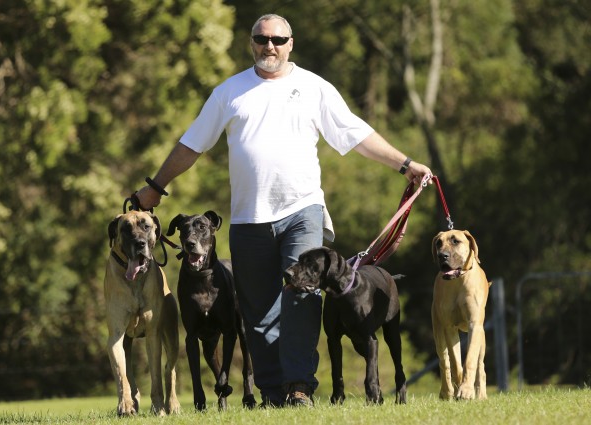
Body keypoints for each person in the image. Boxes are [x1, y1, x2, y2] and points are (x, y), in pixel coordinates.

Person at [135, 13, 432, 408]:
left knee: (302, 296)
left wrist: (405, 164)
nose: (269, 45)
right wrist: (155, 188)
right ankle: (274, 392)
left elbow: (356, 134)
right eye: (262, 38)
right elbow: (192, 144)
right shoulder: (229, 92)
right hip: (248, 219)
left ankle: (299, 388)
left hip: (302, 211)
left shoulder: (313, 87)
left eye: (278, 39)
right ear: (251, 41)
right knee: (258, 312)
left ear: (291, 43)